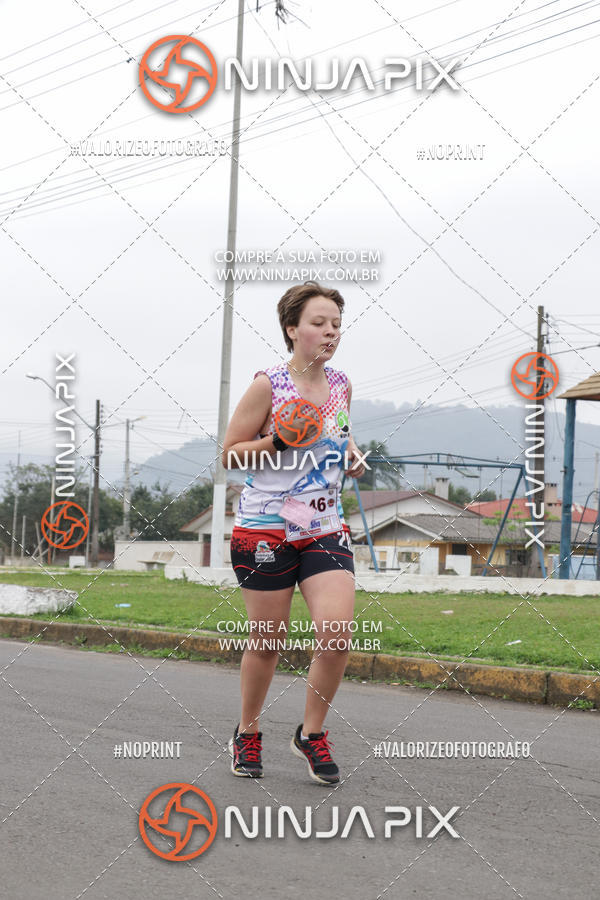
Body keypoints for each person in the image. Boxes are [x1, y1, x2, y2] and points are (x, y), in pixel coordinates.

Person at [221, 281, 366, 785]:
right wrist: (276, 439)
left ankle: (311, 733)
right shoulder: (270, 384)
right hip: (266, 527)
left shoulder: (342, 384)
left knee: (336, 633)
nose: (331, 332)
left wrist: (351, 457)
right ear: (292, 329)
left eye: (336, 324)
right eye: (319, 323)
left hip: (323, 523)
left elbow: (340, 436)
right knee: (266, 641)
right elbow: (230, 453)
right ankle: (247, 731)